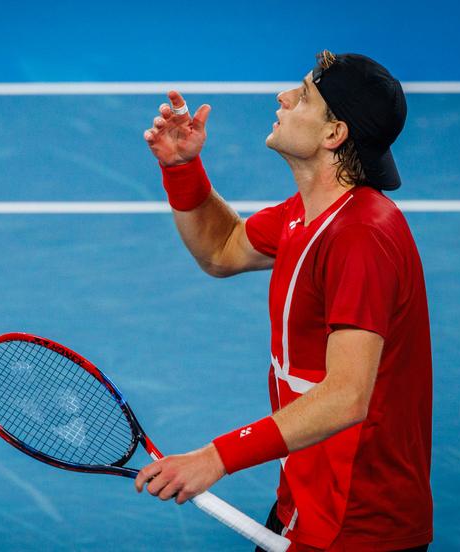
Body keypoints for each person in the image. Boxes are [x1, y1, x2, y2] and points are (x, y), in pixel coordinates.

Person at [134, 51, 433, 551]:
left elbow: (347, 394)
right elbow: (222, 248)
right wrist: (183, 169)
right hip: (306, 499)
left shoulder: (362, 237)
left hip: (358, 527)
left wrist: (215, 458)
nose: (284, 97)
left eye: (304, 95)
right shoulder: (307, 215)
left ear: (334, 134)